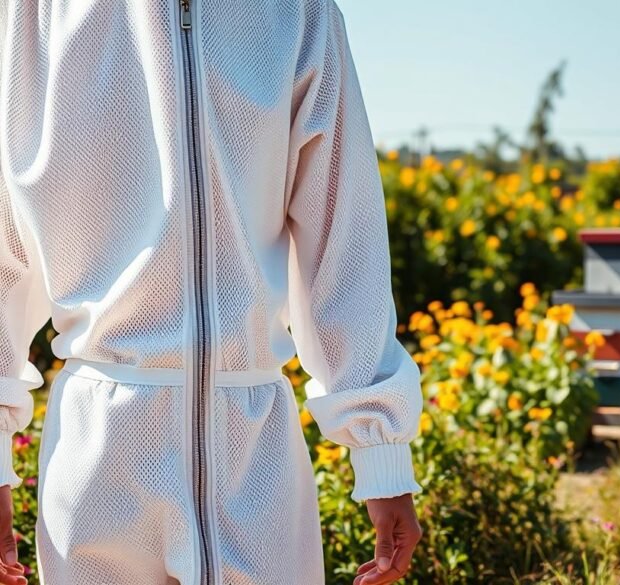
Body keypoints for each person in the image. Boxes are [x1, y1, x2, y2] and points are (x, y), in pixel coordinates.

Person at [0, 1, 422, 583]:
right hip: (96, 473)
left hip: (259, 468)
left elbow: (342, 233)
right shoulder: (32, 11)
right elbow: (3, 254)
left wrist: (381, 454)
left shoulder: (295, 11)